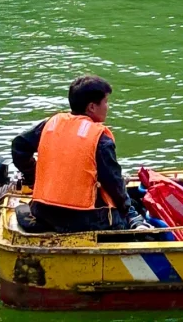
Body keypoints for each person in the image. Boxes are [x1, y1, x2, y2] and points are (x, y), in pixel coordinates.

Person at [11, 75, 142, 234]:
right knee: (132, 207)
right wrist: (129, 211)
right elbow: (113, 183)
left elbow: (19, 147)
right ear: (92, 107)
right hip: (83, 220)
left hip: (43, 212)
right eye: (106, 102)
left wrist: (34, 177)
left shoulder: (50, 124)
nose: (108, 107)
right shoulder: (100, 138)